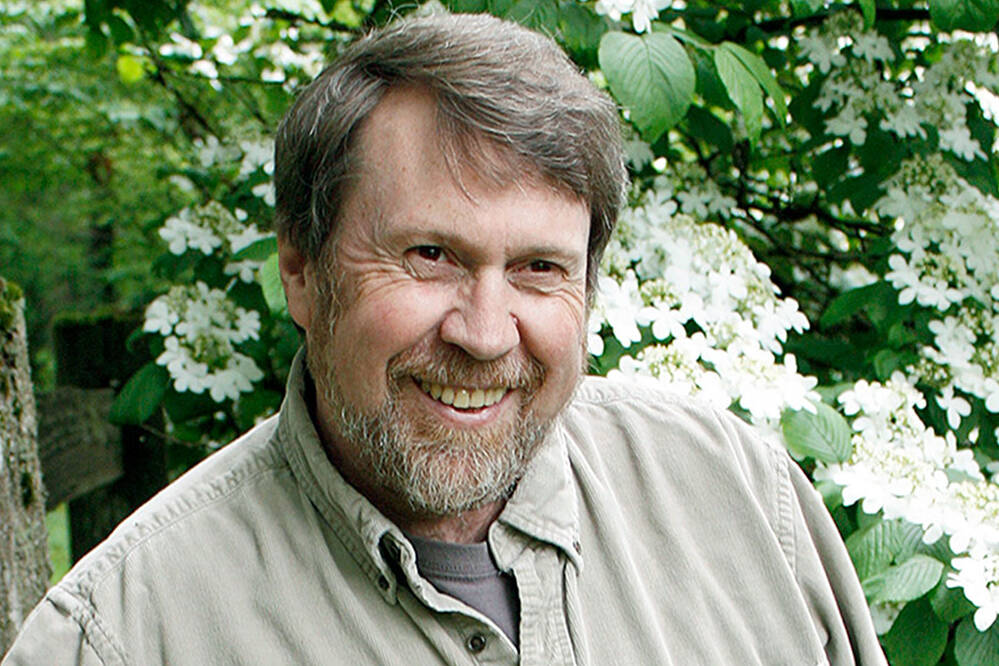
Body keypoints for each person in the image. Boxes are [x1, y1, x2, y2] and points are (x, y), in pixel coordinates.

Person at [3, 12, 887, 665]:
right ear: (301, 270)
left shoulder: (738, 495)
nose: (485, 333)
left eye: (539, 268)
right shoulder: (120, 635)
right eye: (430, 255)